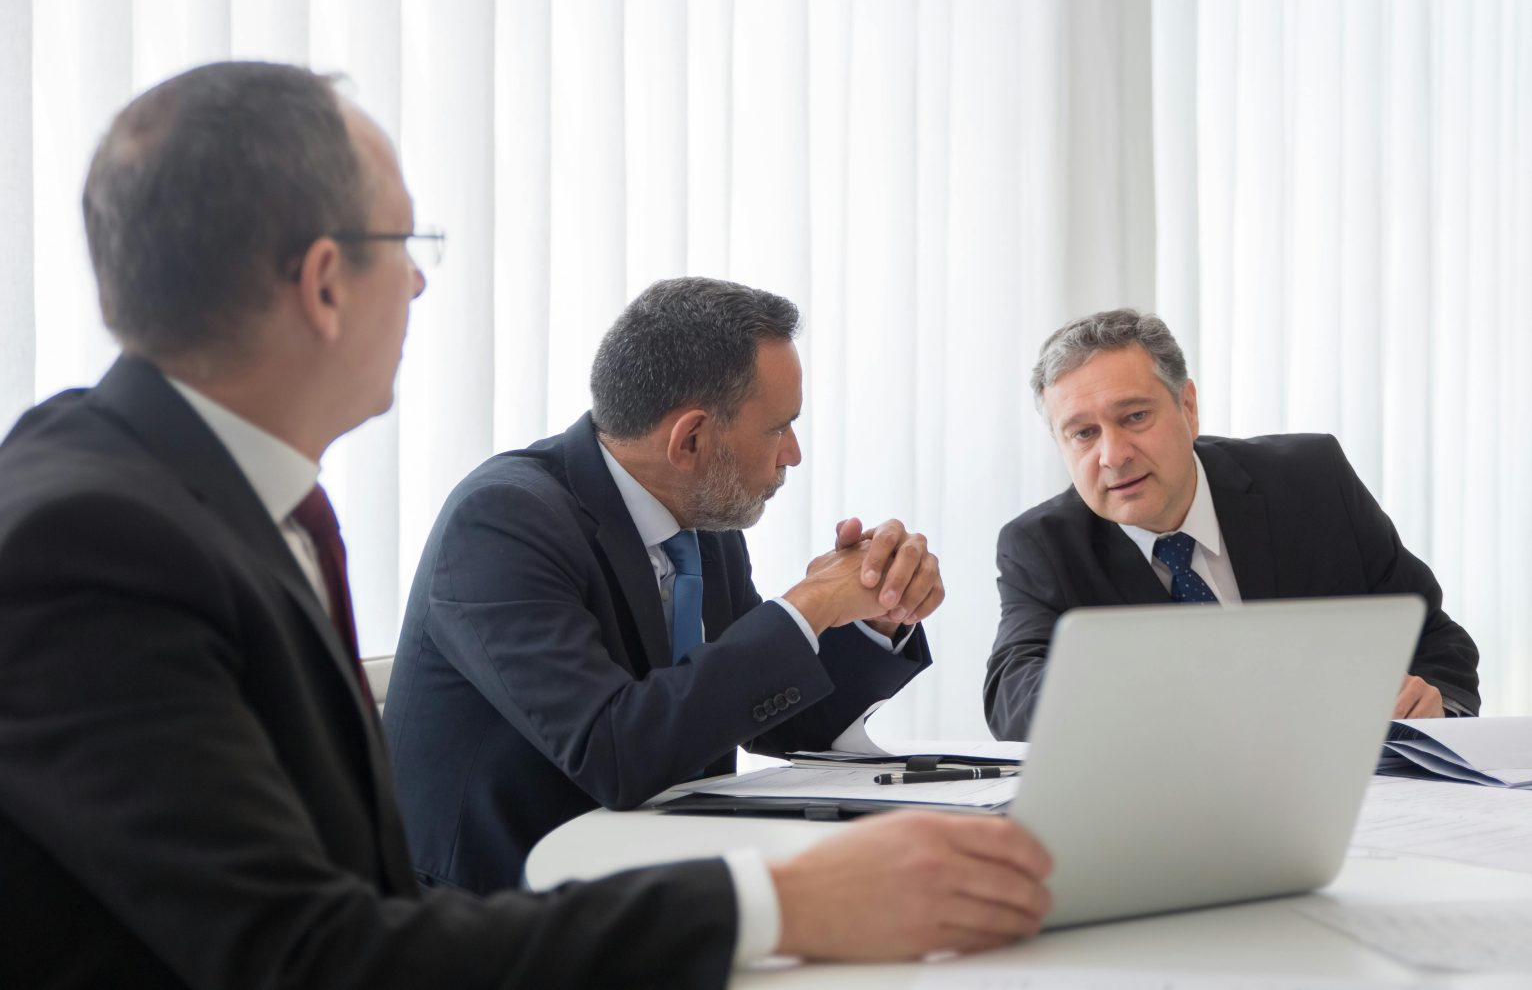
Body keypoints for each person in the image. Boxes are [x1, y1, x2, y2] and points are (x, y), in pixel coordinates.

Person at [0, 61, 1052, 988]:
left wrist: (849, 618)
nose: (419, 281)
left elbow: (750, 702)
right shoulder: (92, 547)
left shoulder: (197, 501)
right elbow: (303, 955)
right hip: (494, 919)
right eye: (404, 244)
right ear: (323, 284)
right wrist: (784, 905)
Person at [385, 276, 943, 889]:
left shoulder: (701, 514)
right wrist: (806, 607)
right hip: (501, 909)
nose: (793, 454)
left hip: (662, 884)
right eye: (778, 428)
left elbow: (774, 717)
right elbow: (614, 752)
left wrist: (872, 613)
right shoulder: (501, 522)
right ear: (691, 439)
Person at [985, 308, 1480, 741]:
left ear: (1188, 407)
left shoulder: (1311, 481)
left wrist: (1432, 702)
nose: (1113, 455)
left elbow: (1433, 637)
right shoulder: (1042, 544)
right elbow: (1013, 697)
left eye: (1134, 417)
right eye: (1083, 434)